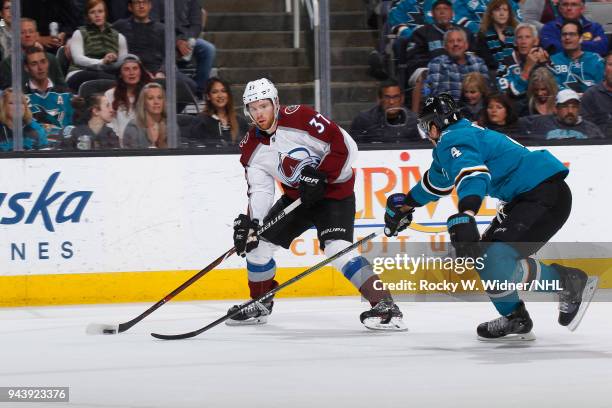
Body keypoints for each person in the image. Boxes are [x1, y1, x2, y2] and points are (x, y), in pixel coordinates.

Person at [383, 93, 599, 341]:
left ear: (435, 124)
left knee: (494, 257)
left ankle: (567, 281)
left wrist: (467, 212)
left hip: (542, 194)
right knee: (485, 258)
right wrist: (406, 205)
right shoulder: (458, 139)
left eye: (426, 126)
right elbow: (436, 182)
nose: (426, 133)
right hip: (531, 196)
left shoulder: (453, 139)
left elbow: (473, 175)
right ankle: (515, 318)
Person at [227, 78, 406, 330]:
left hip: (334, 194)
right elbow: (260, 189)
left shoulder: (301, 118)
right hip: (297, 199)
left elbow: (345, 146)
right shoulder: (251, 147)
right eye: (254, 108)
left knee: (337, 248)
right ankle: (260, 303)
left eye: (264, 106)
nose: (259, 113)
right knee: (258, 246)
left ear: (276, 103)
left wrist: (323, 174)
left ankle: (385, 305)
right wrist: (253, 225)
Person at [67, 0, 128, 92]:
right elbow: (78, 59)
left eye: (100, 11)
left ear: (105, 13)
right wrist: (102, 62)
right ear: (87, 16)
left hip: (107, 75)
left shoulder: (119, 37)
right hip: (79, 72)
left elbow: (124, 64)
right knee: (106, 78)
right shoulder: (79, 33)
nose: (97, 15)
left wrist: (114, 60)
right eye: (92, 12)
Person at [422, 27, 490, 102]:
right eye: (451, 41)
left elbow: (486, 93)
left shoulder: (479, 63)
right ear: (445, 46)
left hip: (475, 111)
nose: (455, 44)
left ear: (466, 45)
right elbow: (429, 95)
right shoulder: (437, 64)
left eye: (459, 40)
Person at [0, 19, 67, 90]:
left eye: (31, 32)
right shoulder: (8, 63)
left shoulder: (52, 59)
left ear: (37, 35)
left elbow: (63, 89)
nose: (27, 35)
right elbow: (8, 94)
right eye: (22, 32)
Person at [350, 79, 420, 143]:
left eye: (395, 97)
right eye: (387, 97)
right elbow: (354, 148)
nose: (391, 102)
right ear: (379, 99)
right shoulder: (364, 120)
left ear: (402, 98)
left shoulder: (413, 121)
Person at [518, 88, 605, 140]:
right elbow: (513, 122)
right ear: (556, 109)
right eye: (565, 106)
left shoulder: (591, 129)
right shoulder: (541, 122)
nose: (570, 111)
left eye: (574, 106)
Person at [23, 46, 75, 133]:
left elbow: (74, 126)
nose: (40, 67)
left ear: (48, 63)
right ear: (26, 68)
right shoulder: (20, 97)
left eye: (43, 62)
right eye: (34, 64)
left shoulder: (65, 94)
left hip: (63, 144)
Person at [187, 77, 249, 146]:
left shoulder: (241, 121)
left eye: (223, 91)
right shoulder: (200, 122)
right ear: (208, 96)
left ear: (228, 95)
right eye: (215, 92)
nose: (220, 95)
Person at [497, 23, 550, 102]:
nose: (523, 41)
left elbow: (555, 87)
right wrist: (527, 69)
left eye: (527, 37)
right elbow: (506, 95)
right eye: (519, 37)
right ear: (515, 42)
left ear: (536, 41)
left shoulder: (544, 58)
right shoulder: (505, 64)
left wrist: (544, 65)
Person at [105, 54, 150, 144]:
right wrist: (120, 141)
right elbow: (110, 124)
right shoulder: (110, 94)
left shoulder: (148, 94)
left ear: (140, 72)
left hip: (144, 142)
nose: (131, 73)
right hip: (118, 143)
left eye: (135, 68)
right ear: (120, 74)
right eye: (126, 69)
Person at [550, 20, 604, 93]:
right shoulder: (552, 60)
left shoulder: (596, 60)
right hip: (562, 102)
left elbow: (603, 89)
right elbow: (552, 88)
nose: (567, 37)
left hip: (591, 102)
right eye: (564, 34)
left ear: (581, 38)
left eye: (572, 34)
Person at [540, 0, 608, 56]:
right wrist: (589, 43)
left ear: (582, 9)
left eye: (574, 4)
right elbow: (554, 50)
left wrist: (568, 44)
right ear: (560, 8)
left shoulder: (595, 27)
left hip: (590, 68)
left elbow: (602, 49)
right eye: (565, 4)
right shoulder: (549, 27)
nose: (569, 8)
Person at [474, 0, 518, 77]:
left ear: (509, 14)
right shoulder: (482, 35)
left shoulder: (517, 33)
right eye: (497, 10)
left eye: (505, 10)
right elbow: (487, 61)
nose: (502, 14)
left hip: (516, 72)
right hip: (493, 75)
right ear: (491, 14)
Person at [123, 82, 171, 148]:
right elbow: (129, 156)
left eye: (159, 98)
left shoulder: (171, 127)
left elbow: (179, 155)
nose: (156, 102)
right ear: (144, 103)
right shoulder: (133, 127)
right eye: (150, 98)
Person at [580, 51, 612, 138]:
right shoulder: (591, 95)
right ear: (604, 69)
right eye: (611, 64)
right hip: (599, 145)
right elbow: (585, 127)